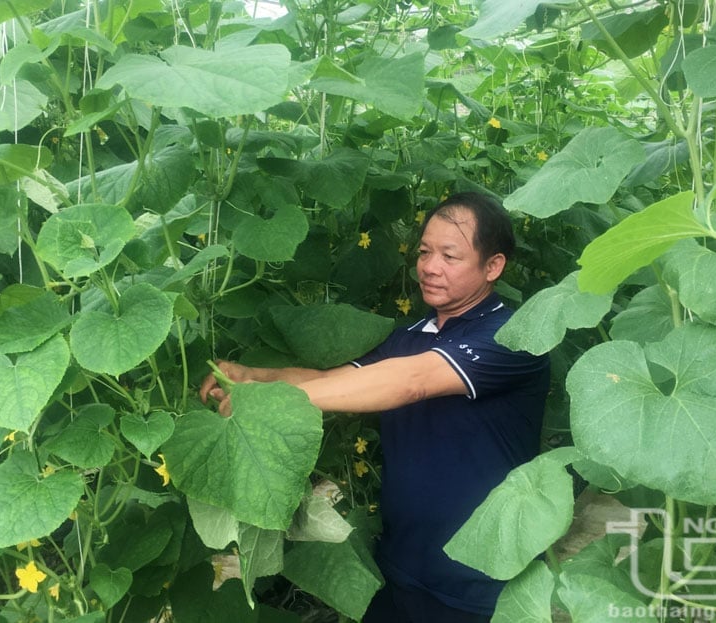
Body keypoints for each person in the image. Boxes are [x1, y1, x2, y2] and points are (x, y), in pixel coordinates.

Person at [199, 192, 550, 622]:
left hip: (481, 584)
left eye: (450, 256)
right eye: (424, 252)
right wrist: (255, 377)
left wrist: (263, 403)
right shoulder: (409, 337)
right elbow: (334, 384)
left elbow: (412, 382)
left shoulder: (513, 335)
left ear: (492, 266)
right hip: (400, 568)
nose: (430, 266)